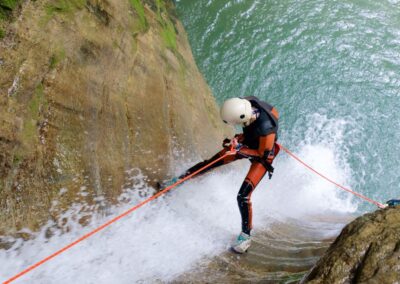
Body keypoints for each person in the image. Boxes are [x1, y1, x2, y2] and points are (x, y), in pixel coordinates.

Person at [165, 96, 280, 253]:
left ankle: (245, 237)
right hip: (250, 140)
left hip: (263, 154)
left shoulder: (266, 130)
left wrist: (239, 148)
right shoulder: (248, 103)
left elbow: (261, 154)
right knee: (211, 163)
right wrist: (239, 140)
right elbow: (274, 112)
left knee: (243, 195)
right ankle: (178, 181)